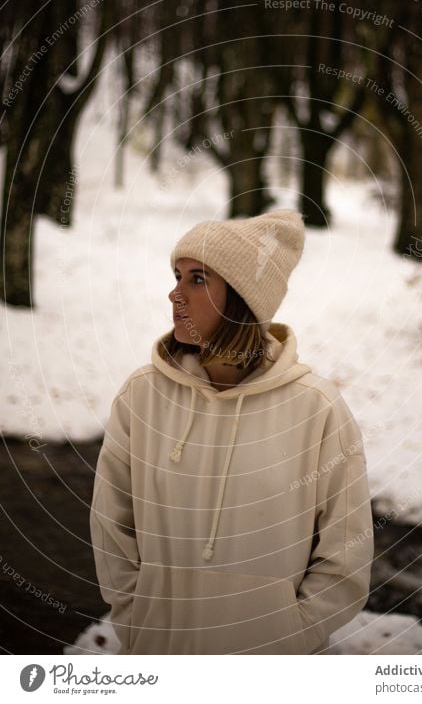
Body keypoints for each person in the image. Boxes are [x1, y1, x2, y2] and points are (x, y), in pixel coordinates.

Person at [89, 209, 374, 655]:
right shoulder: (142, 397)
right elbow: (112, 524)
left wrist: (291, 633)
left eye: (197, 279)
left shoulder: (316, 408)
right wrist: (136, 616)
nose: (175, 293)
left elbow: (346, 551)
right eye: (177, 275)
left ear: (244, 298)